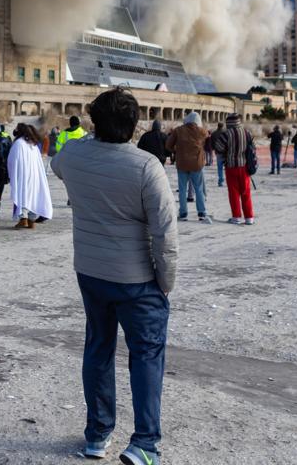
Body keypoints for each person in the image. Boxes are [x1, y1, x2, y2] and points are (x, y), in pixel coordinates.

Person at [50, 87, 177, 465]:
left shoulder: (73, 155)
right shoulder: (145, 166)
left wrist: (92, 137)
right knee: (146, 355)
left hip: (90, 270)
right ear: (135, 124)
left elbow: (58, 164)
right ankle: (145, 443)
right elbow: (164, 233)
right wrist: (165, 283)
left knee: (99, 348)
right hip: (137, 277)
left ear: (94, 121)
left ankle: (97, 434)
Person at [166, 112, 211, 222]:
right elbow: (208, 137)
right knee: (198, 189)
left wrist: (176, 151)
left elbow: (168, 145)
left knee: (182, 190)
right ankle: (201, 212)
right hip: (196, 164)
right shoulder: (202, 131)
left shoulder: (178, 130)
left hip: (182, 164)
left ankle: (183, 213)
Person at [9, 123, 53, 228]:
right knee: (33, 195)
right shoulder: (33, 145)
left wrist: (12, 173)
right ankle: (31, 220)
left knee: (23, 195)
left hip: (23, 175)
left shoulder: (19, 143)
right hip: (34, 176)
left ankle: (23, 218)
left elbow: (12, 160)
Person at [214, 113, 255, 225]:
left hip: (231, 167)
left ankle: (236, 216)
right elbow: (252, 149)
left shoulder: (226, 134)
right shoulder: (247, 133)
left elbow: (218, 148)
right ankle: (249, 217)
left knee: (234, 193)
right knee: (246, 192)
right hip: (245, 167)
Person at [211, 122, 227, 187]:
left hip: (218, 152)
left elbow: (211, 142)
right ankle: (229, 180)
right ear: (222, 126)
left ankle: (221, 181)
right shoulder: (226, 133)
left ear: (218, 126)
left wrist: (213, 148)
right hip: (226, 152)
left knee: (219, 168)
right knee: (227, 168)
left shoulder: (214, 133)